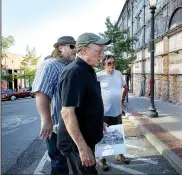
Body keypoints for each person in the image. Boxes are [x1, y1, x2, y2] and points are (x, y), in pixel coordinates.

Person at [57, 33, 110, 174]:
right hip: (75, 144)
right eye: (99, 51)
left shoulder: (88, 70)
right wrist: (82, 148)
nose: (102, 55)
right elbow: (67, 113)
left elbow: (86, 104)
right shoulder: (74, 72)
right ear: (84, 50)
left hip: (86, 138)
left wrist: (99, 121)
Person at [32, 36, 76, 175]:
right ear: (60, 47)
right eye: (72, 46)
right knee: (59, 162)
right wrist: (46, 120)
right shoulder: (51, 64)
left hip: (71, 124)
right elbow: (41, 93)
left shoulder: (68, 65)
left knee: (71, 161)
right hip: (57, 126)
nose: (75, 49)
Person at [96, 55, 130, 171]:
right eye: (109, 63)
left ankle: (119, 154)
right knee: (103, 135)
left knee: (118, 133)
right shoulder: (98, 76)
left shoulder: (118, 74)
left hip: (117, 111)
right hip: (104, 112)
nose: (112, 65)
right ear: (103, 65)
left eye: (113, 63)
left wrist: (122, 99)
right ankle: (101, 159)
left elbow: (125, 87)